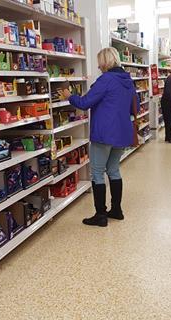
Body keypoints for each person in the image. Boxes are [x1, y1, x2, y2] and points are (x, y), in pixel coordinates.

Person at [60, 47, 138, 228]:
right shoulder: (127, 80)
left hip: (104, 133)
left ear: (105, 62)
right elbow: (134, 107)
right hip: (122, 132)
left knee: (97, 172)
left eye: (99, 62)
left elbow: (85, 102)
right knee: (114, 170)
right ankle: (117, 210)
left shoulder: (106, 79)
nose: (98, 66)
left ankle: (100, 215)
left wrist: (69, 96)